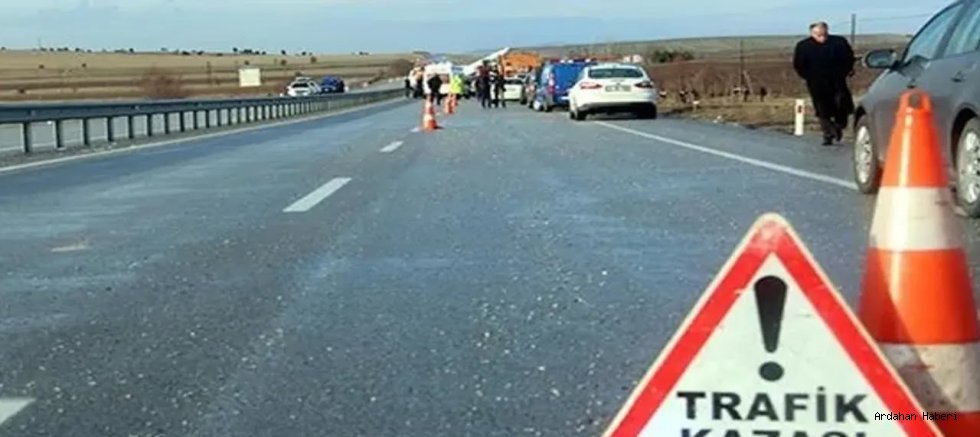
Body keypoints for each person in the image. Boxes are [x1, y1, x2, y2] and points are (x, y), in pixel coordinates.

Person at [793, 21, 855, 146]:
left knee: (842, 103)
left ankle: (839, 125)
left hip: (837, 79)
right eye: (818, 35)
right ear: (812, 33)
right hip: (816, 82)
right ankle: (828, 133)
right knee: (822, 108)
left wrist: (846, 70)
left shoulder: (839, 42)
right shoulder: (804, 46)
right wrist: (808, 76)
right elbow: (799, 64)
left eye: (824, 34)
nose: (822, 38)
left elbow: (849, 57)